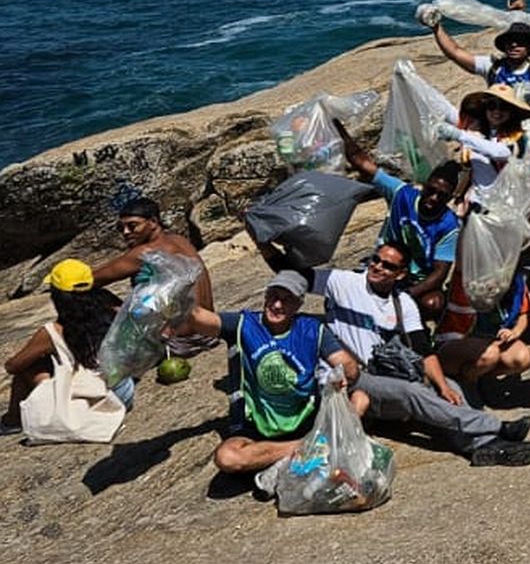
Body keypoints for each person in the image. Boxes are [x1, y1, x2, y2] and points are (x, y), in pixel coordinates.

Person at [310, 242, 530, 467]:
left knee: (449, 388)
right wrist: (273, 247)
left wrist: (443, 386)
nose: (378, 267)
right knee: (413, 392)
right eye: (375, 260)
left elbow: (422, 348)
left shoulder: (402, 302)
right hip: (358, 377)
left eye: (388, 266)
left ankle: (483, 445)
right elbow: (297, 274)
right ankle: (495, 427)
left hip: (391, 371)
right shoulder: (344, 282)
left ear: (400, 274)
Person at [171, 270, 359, 481]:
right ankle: (307, 449)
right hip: (256, 428)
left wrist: (341, 375)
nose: (277, 305)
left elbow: (348, 366)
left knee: (360, 399)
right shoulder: (244, 324)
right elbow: (198, 318)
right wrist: (172, 291)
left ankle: (289, 456)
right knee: (227, 457)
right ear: (265, 296)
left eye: (287, 300)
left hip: (305, 420)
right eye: (274, 296)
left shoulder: (312, 330)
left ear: (298, 305)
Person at [336, 121, 462, 321]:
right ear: (424, 185)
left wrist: (405, 296)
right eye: (431, 191)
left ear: (450, 198)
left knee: (434, 303)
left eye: (442, 195)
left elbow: (439, 273)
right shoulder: (402, 194)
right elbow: (363, 163)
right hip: (386, 267)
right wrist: (340, 130)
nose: (434, 198)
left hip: (417, 280)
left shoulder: (449, 226)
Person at [2, 260, 135, 433]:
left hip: (95, 401)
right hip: (125, 392)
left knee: (29, 367)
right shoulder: (111, 306)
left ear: (57, 295)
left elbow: (13, 366)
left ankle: (12, 422)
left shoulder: (53, 332)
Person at [90, 197, 218, 357]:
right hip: (210, 332)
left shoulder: (146, 252)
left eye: (132, 226)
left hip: (179, 341)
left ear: (152, 222)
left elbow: (91, 279)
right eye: (120, 228)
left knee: (87, 296)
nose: (126, 232)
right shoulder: (180, 240)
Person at [421, 10, 530, 118]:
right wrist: (436, 27)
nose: (514, 45)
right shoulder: (493, 67)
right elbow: (455, 53)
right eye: (510, 41)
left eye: (520, 42)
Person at [445, 84, 530, 195]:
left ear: (512, 111)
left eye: (504, 107)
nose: (497, 111)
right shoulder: (475, 132)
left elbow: (501, 152)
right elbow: (445, 109)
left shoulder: (518, 136)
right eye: (492, 105)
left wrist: (459, 135)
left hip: (509, 201)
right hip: (478, 200)